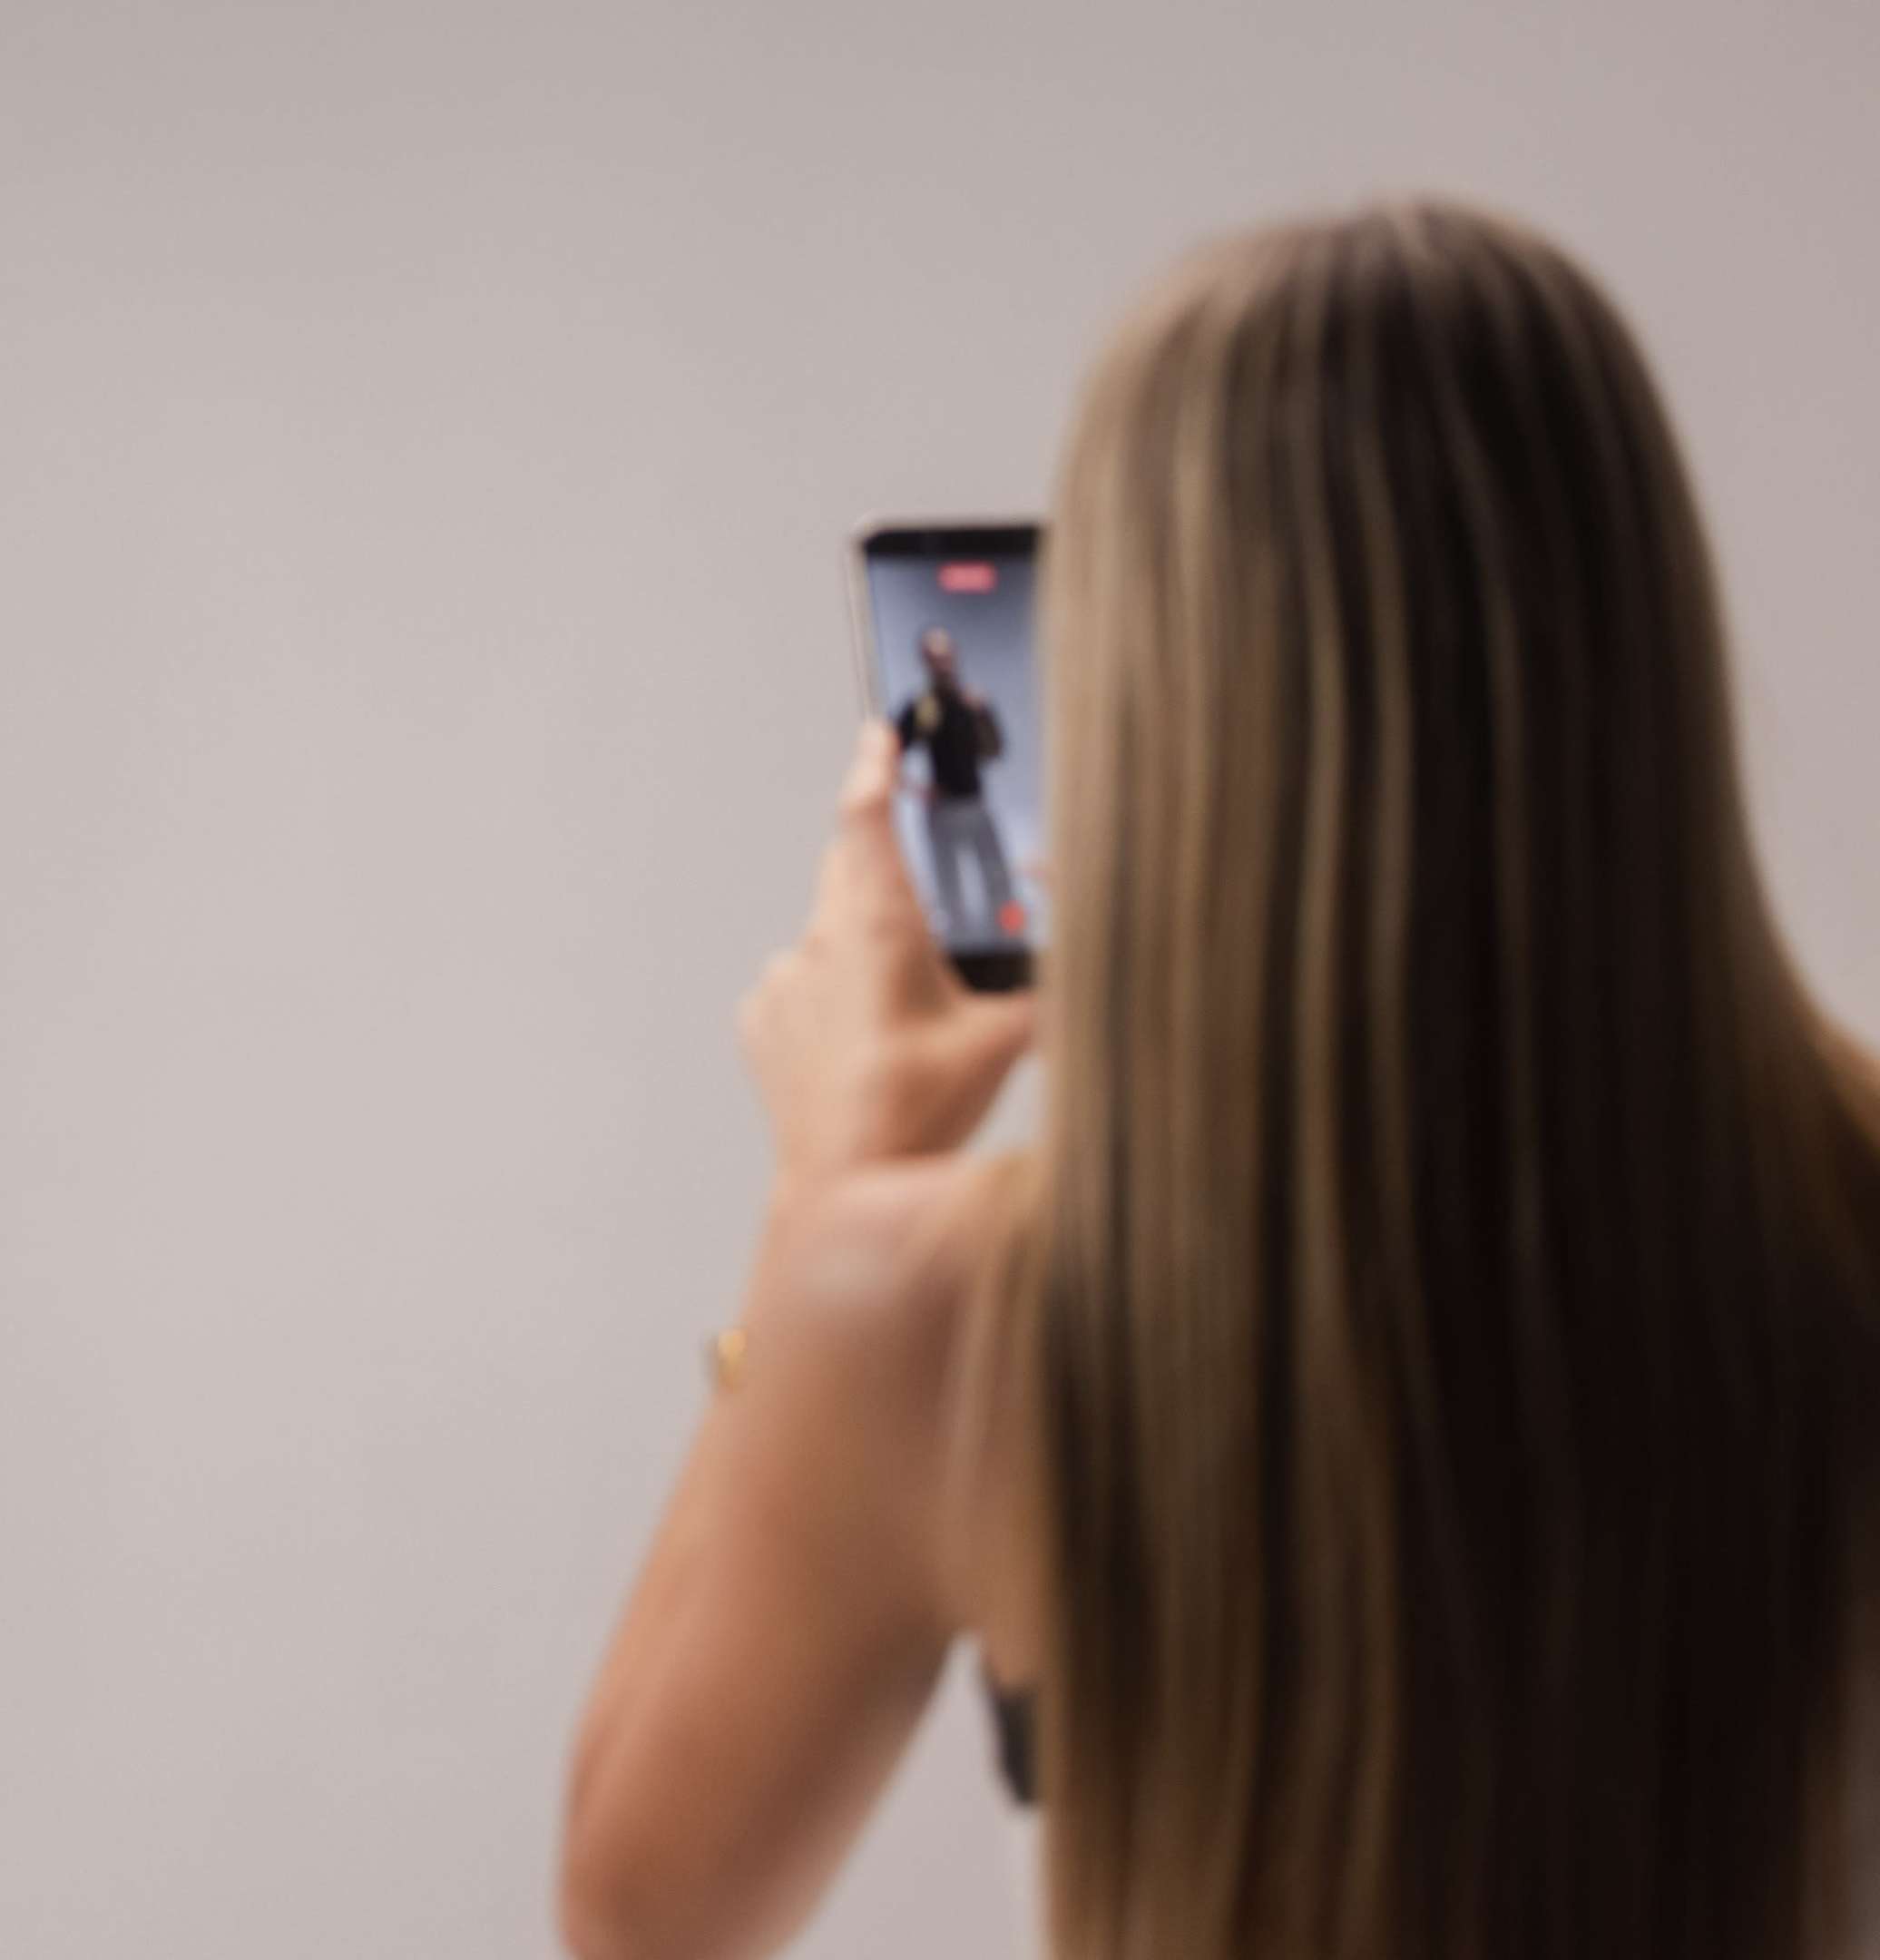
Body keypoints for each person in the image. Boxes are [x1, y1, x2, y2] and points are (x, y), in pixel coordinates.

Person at [559, 200, 1880, 1960]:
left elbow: (642, 1912)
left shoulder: (946, 1307)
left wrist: (826, 1189)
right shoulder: (1845, 1198)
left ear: (1149, 693)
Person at [891, 625, 1019, 941]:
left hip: (975, 804)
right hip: (943, 811)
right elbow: (888, 750)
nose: (942, 663)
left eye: (946, 655)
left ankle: (1009, 937)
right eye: (934, 657)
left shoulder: (971, 701)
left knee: (998, 879)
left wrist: (983, 716)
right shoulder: (923, 707)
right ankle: (960, 943)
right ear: (925, 662)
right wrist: (917, 789)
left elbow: (995, 750)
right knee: (950, 887)